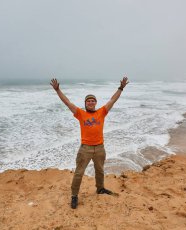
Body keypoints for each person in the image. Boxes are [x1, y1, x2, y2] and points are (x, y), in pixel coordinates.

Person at [50, 77, 129, 209]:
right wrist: (58, 90)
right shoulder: (80, 114)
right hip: (85, 149)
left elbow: (113, 100)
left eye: (93, 101)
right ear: (85, 104)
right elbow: (67, 102)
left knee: (100, 171)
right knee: (79, 173)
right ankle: (74, 196)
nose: (91, 103)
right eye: (88, 101)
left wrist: (121, 88)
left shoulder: (101, 112)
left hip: (99, 148)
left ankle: (100, 188)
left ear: (95, 103)